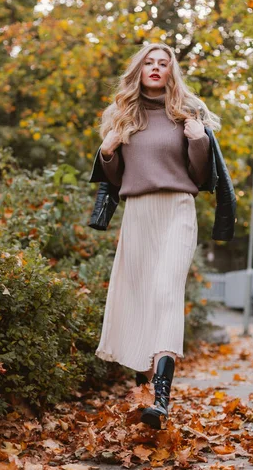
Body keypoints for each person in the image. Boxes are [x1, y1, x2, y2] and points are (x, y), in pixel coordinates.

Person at [90, 42, 226, 430]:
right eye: (148, 62)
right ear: (139, 70)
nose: (155, 68)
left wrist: (199, 138)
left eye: (163, 63)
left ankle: (162, 399)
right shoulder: (121, 115)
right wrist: (108, 153)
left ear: (171, 71)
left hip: (177, 210)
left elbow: (200, 176)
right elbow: (116, 181)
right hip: (137, 214)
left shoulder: (187, 111)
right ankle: (143, 389)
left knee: (166, 293)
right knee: (140, 299)